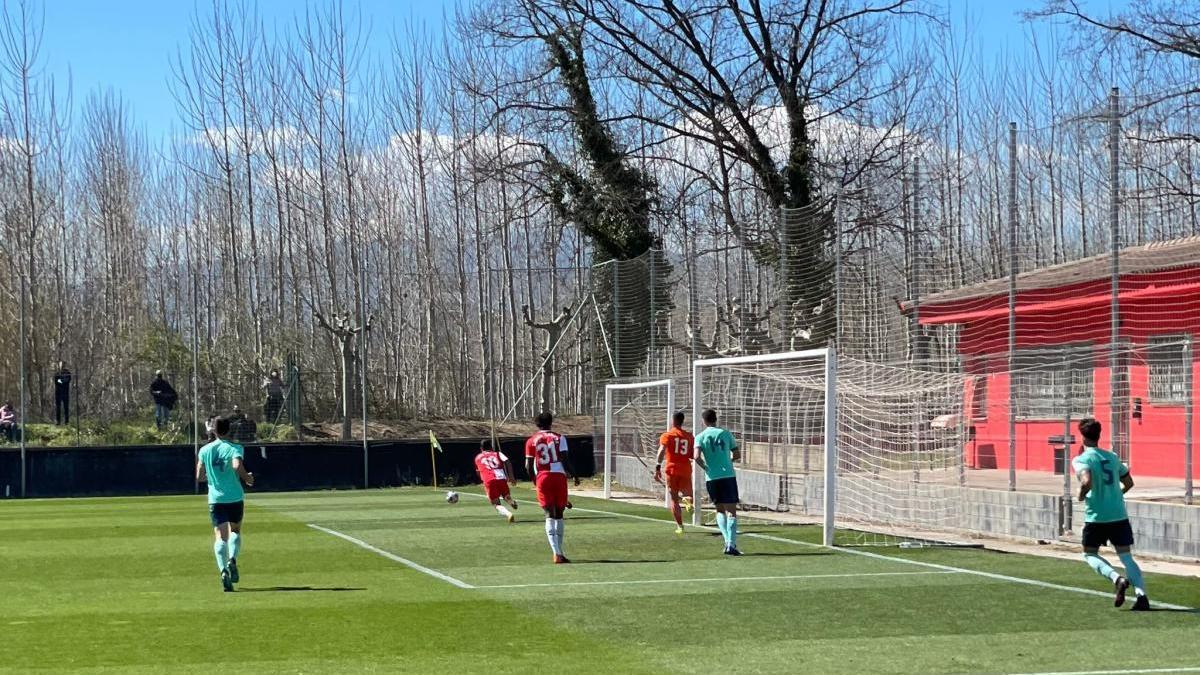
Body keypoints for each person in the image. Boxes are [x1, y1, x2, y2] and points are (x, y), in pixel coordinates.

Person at [1072, 417, 1150, 611]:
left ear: (1083, 437)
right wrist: (1116, 496)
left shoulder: (1081, 459)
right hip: (1118, 515)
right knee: (1126, 556)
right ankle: (1142, 597)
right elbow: (1129, 482)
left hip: (1097, 517)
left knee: (1089, 554)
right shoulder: (1112, 457)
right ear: (1099, 436)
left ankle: (1117, 579)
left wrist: (1082, 494)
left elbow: (1086, 480)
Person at [196, 416, 254, 592]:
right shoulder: (235, 448)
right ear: (229, 430)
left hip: (216, 499)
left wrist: (213, 479)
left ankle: (223, 571)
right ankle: (232, 560)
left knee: (220, 537)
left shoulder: (205, 450)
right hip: (235, 497)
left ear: (213, 430)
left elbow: (199, 476)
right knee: (235, 530)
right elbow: (236, 466)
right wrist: (247, 478)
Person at [525, 412, 580, 564]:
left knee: (549, 513)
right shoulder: (559, 437)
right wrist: (574, 475)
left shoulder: (531, 441)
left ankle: (557, 553)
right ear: (551, 423)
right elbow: (564, 458)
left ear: (537, 424)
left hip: (543, 476)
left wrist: (535, 482)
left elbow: (528, 466)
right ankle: (560, 552)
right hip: (559, 476)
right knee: (559, 514)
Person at [696, 408, 741, 555]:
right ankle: (731, 544)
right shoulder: (726, 434)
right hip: (727, 476)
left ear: (704, 421)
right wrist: (729, 462)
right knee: (732, 511)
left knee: (719, 509)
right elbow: (737, 454)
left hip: (712, 478)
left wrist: (705, 467)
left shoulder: (700, 436)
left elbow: (696, 457)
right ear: (716, 419)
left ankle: (727, 541)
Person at [654, 411, 696, 535]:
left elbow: (662, 450)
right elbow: (692, 454)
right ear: (683, 421)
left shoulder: (667, 435)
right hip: (685, 468)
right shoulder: (689, 436)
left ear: (673, 421)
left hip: (671, 469)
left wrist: (657, 467)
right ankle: (688, 502)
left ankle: (680, 526)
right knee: (688, 493)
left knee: (674, 499)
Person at [475, 438, 518, 523]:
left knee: (495, 503)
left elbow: (478, 471)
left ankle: (508, 514)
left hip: (489, 480)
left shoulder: (478, 457)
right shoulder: (497, 453)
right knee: (506, 495)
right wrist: (511, 477)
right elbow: (507, 462)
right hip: (501, 478)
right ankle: (511, 501)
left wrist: (482, 479)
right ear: (491, 447)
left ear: (481, 448)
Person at [53, 361, 71, 425]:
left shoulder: (68, 373)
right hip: (58, 393)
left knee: (66, 407)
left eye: (63, 365)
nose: (61, 366)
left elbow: (67, 381)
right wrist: (62, 382)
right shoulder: (57, 373)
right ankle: (58, 421)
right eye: (60, 365)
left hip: (65, 392)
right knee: (58, 407)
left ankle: (67, 421)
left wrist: (62, 381)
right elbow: (56, 381)